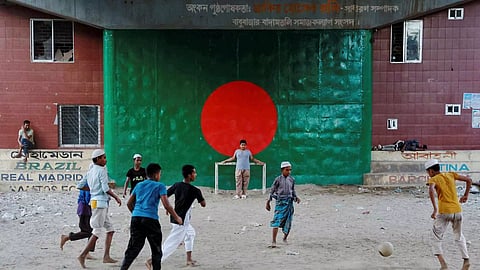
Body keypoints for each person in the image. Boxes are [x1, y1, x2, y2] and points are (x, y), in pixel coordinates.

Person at [120, 163, 182, 270]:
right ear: (156, 174)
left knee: (133, 248)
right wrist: (177, 217)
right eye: (160, 174)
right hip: (151, 219)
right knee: (156, 250)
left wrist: (136, 214)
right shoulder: (160, 186)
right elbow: (166, 204)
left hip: (136, 218)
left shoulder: (139, 185)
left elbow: (129, 203)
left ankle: (123, 268)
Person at [76, 149, 122, 268]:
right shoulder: (101, 170)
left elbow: (80, 185)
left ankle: (106, 256)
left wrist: (92, 190)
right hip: (100, 202)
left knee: (110, 229)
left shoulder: (90, 171)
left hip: (96, 202)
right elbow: (105, 188)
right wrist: (116, 197)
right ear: (97, 159)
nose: (105, 160)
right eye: (103, 157)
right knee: (97, 231)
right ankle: (83, 255)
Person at [155, 164, 206, 267]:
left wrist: (167, 207)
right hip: (181, 220)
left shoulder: (177, 185)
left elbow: (165, 195)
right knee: (172, 243)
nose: (195, 175)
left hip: (176, 217)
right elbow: (203, 204)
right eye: (194, 173)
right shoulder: (195, 190)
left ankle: (189, 259)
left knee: (190, 234)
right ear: (189, 175)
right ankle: (153, 261)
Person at [425, 159, 471, 270]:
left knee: (435, 237)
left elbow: (431, 189)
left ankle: (443, 264)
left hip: (444, 211)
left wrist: (435, 209)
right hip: (458, 210)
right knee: (459, 236)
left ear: (431, 171)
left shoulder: (433, 179)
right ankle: (466, 259)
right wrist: (465, 195)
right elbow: (469, 180)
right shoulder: (450, 174)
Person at [265, 161, 301, 248]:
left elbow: (292, 190)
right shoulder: (278, 179)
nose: (289, 172)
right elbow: (272, 190)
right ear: (282, 170)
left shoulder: (292, 179)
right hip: (280, 203)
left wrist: (296, 197)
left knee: (288, 221)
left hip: (289, 203)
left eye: (290, 170)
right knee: (276, 221)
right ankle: (274, 241)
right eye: (287, 170)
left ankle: (285, 238)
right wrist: (268, 202)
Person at [60, 186, 95, 256]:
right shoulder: (89, 183)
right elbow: (88, 197)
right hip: (85, 209)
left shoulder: (88, 181)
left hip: (83, 208)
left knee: (92, 231)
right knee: (89, 232)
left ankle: (87, 252)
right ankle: (67, 237)